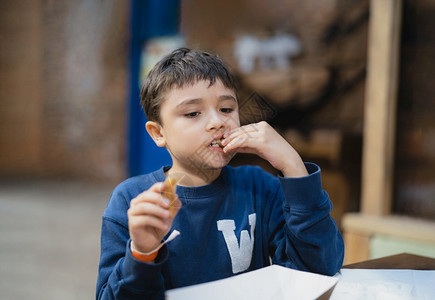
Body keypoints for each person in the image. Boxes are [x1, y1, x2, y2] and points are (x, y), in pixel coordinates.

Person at [96, 48, 344, 299]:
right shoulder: (133, 201)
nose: (218, 122)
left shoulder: (258, 187)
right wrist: (141, 254)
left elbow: (317, 271)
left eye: (226, 109)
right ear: (158, 133)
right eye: (193, 113)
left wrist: (293, 166)